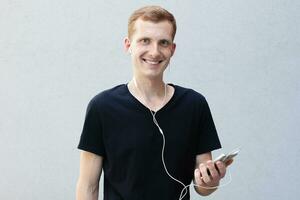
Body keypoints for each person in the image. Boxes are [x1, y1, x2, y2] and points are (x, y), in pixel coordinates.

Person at [76, 5, 233, 200]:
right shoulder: (102, 107)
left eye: (163, 43)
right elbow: (88, 186)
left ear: (172, 49)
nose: (154, 52)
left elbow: (203, 188)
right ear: (128, 45)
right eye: (145, 41)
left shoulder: (194, 105)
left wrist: (211, 181)